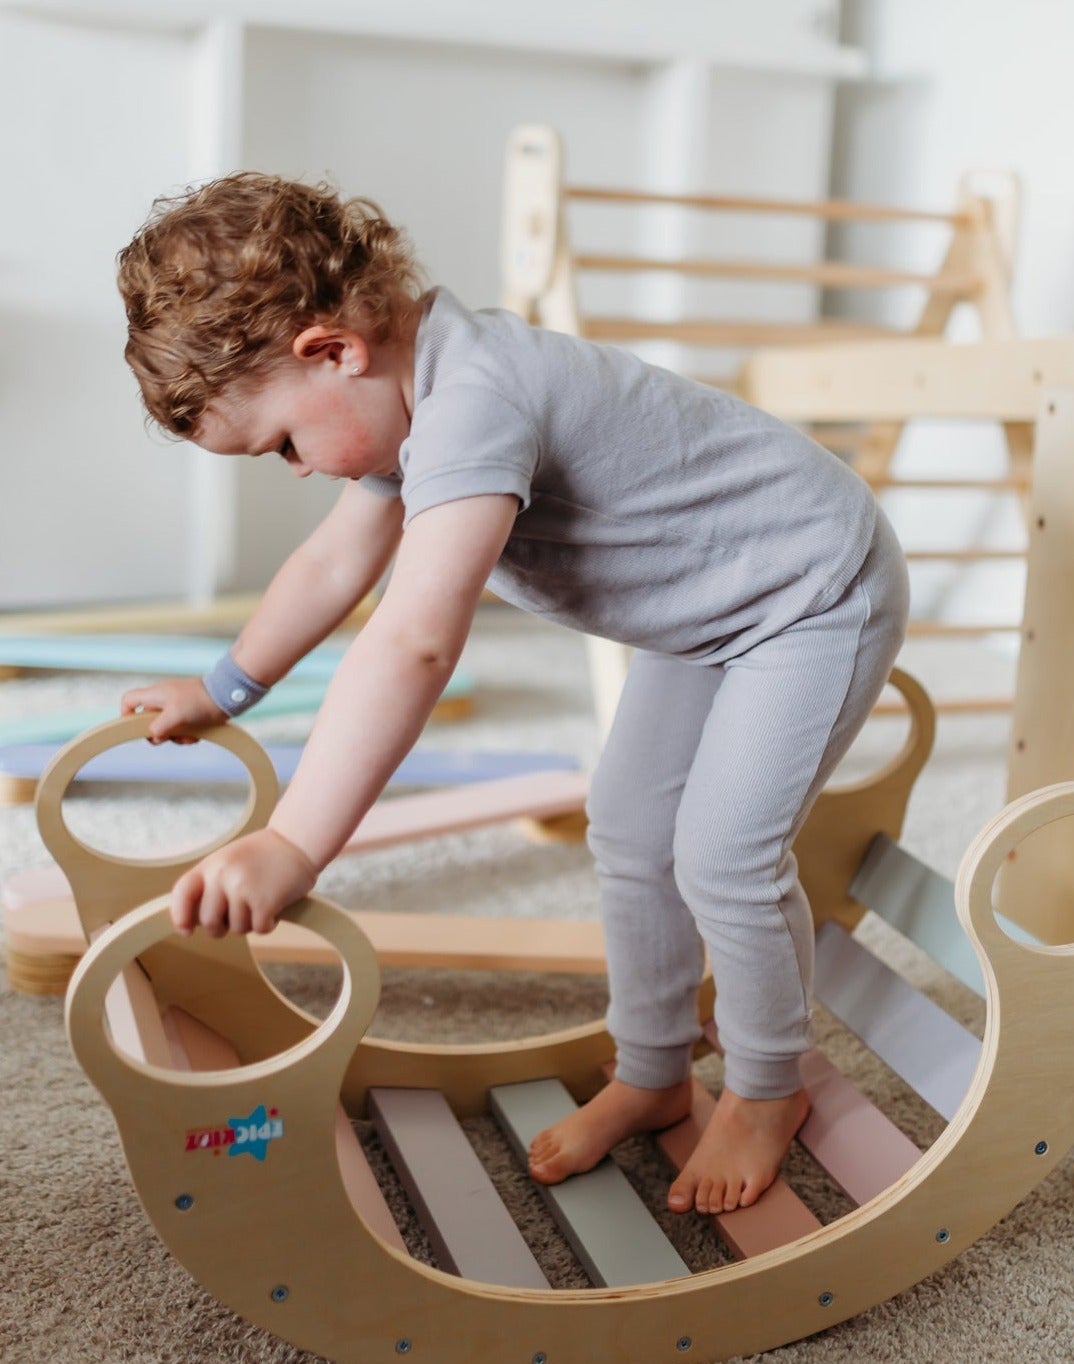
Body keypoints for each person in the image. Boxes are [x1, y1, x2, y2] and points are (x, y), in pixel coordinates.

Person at [116, 172, 909, 1217]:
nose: (300, 470)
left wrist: (295, 842)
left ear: (332, 351)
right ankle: (653, 1066)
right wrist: (226, 685)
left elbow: (412, 641)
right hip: (710, 608)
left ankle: (768, 1086)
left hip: (809, 592)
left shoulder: (478, 396)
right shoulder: (411, 394)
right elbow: (333, 564)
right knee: (629, 826)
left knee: (721, 852)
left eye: (282, 446)